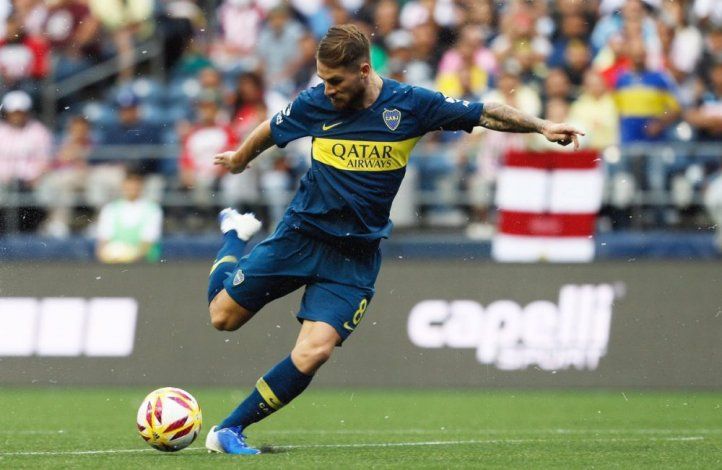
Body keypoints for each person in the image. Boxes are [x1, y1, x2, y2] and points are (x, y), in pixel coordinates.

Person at [203, 24, 583, 455]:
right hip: (301, 236)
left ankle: (229, 430)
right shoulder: (314, 103)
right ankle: (235, 234)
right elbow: (271, 130)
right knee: (222, 318)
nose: (327, 89)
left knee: (315, 351)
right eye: (322, 79)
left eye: (335, 81)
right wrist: (240, 158)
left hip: (354, 257)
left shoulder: (410, 105)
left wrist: (541, 126)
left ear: (364, 71)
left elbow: (484, 113)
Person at [95, 167, 163, 264]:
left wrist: (126, 256)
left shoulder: (153, 210)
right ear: (123, 184)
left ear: (142, 185)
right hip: (115, 265)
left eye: (137, 183)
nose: (133, 187)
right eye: (130, 182)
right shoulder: (110, 209)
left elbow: (148, 243)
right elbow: (102, 243)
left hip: (144, 265)